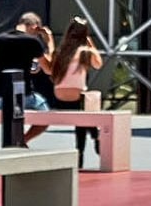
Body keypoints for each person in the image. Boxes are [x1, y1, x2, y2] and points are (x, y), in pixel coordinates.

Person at [42, 17, 106, 168]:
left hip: (58, 97)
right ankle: (93, 138)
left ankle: (87, 146)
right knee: (86, 113)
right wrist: (90, 43)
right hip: (77, 98)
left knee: (83, 116)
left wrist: (50, 41)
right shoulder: (85, 52)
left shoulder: (61, 52)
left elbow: (50, 67)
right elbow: (98, 64)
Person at [0, 12, 51, 148]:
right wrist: (49, 42)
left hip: (0, 96)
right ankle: (23, 139)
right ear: (34, 26)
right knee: (46, 114)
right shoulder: (33, 41)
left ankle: (16, 140)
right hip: (24, 95)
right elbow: (49, 69)